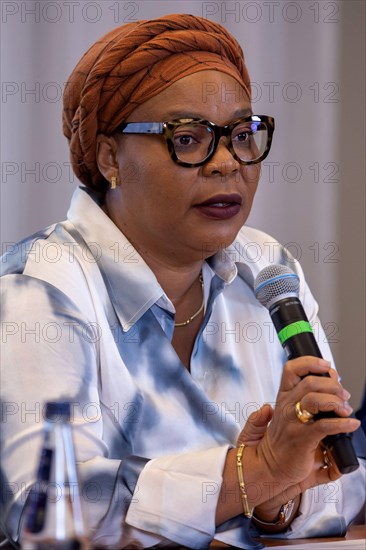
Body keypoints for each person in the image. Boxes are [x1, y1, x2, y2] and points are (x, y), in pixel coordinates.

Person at [1, 13, 365, 550]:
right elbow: (46, 510)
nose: (226, 163)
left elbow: (342, 482)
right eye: (188, 138)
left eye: (242, 135)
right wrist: (256, 470)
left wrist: (275, 500)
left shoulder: (266, 266)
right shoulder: (42, 286)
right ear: (110, 158)